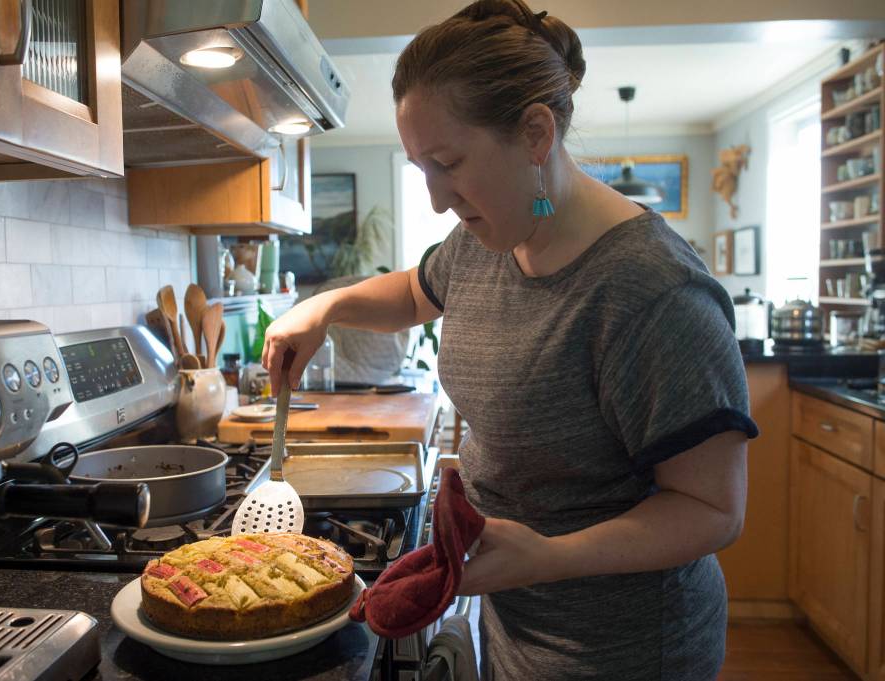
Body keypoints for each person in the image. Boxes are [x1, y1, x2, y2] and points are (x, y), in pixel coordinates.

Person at [262, 1, 758, 678]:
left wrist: (550, 556)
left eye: (448, 163)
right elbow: (415, 292)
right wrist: (324, 307)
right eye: (421, 171)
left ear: (535, 133)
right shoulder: (486, 238)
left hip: (625, 648)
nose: (437, 200)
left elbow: (712, 510)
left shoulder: (653, 293)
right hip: (515, 618)